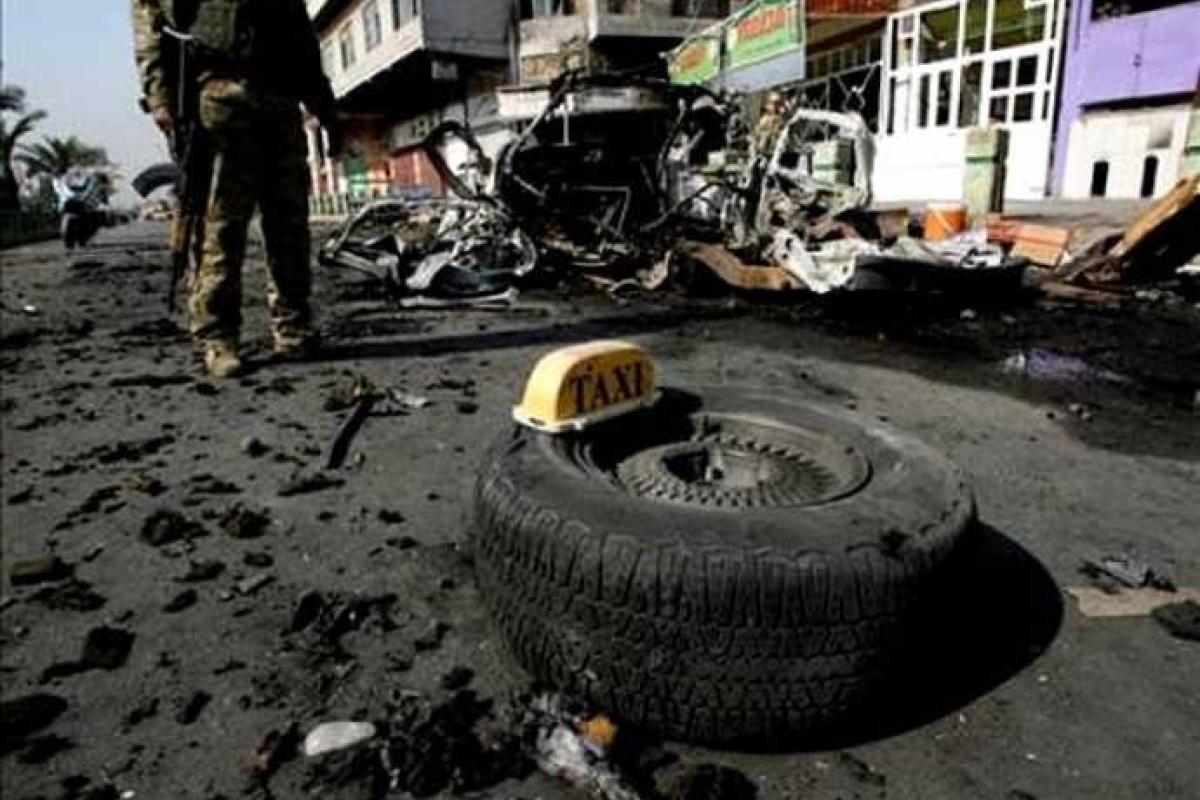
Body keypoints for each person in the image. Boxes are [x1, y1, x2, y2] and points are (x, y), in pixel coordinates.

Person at [132, 0, 343, 378]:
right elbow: (150, 24)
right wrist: (159, 97)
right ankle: (218, 337)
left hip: (281, 99)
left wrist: (326, 110)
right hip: (219, 98)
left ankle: (294, 328)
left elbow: (302, 40)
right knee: (221, 226)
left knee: (290, 225)